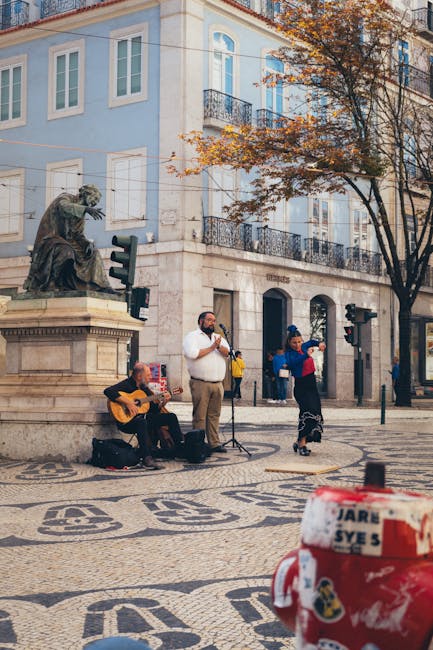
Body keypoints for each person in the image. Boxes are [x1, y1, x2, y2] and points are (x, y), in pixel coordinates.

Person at [24, 184, 113, 293]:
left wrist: (86, 244)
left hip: (67, 242)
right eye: (94, 198)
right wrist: (85, 209)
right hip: (50, 239)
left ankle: (101, 286)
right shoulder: (66, 198)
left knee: (93, 253)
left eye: (97, 201)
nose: (95, 202)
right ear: (86, 194)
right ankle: (52, 282)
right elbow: (63, 208)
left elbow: (78, 235)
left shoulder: (81, 215)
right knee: (66, 251)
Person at [183, 311, 230, 453]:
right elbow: (192, 354)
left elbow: (228, 353)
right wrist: (211, 348)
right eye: (209, 320)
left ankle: (214, 443)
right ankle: (199, 444)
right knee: (200, 416)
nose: (212, 323)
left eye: (214, 320)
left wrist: (218, 346)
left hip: (218, 383)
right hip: (200, 383)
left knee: (214, 415)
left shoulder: (218, 337)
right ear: (201, 321)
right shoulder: (192, 336)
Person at [104, 363, 164, 469]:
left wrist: (163, 402)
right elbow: (108, 391)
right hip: (126, 422)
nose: (150, 377)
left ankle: (178, 449)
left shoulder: (144, 389)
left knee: (170, 417)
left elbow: (153, 409)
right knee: (142, 422)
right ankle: (146, 457)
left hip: (141, 420)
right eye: (148, 375)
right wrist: (128, 402)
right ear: (140, 376)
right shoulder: (127, 384)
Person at [285, 324, 326, 457]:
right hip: (301, 387)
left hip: (312, 385)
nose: (297, 345)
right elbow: (293, 363)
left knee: (315, 412)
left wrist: (320, 344)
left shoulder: (304, 346)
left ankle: (299, 441)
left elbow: (314, 341)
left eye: (299, 342)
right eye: (294, 342)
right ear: (289, 343)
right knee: (306, 413)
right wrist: (306, 356)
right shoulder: (289, 354)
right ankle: (302, 444)